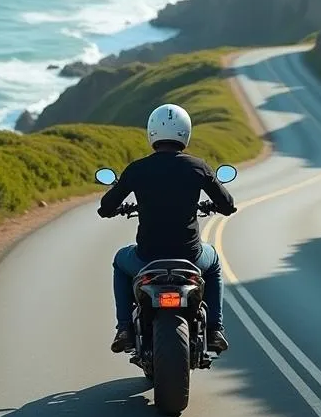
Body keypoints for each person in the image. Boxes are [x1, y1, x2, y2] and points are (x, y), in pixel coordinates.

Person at [98, 102, 236, 355]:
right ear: (186, 132)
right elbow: (227, 205)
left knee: (120, 261)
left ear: (151, 132)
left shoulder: (137, 169)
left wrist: (120, 207)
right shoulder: (198, 166)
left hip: (147, 258)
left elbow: (105, 207)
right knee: (214, 262)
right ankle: (215, 329)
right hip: (191, 257)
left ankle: (125, 328)